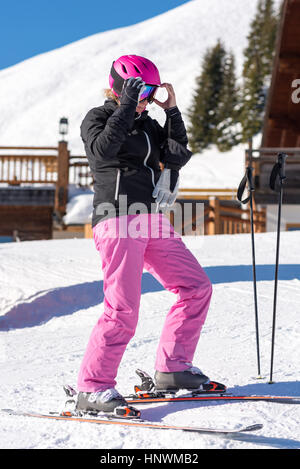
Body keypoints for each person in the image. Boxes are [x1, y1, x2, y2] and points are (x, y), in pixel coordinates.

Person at [76, 55, 213, 416]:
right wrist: (124, 106)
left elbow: (178, 154)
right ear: (121, 87)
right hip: (116, 217)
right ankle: (93, 388)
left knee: (196, 287)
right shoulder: (98, 118)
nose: (147, 98)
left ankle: (172, 369)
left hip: (150, 219)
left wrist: (172, 112)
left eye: (151, 91)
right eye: (141, 90)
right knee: (122, 309)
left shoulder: (148, 122)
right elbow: (103, 149)